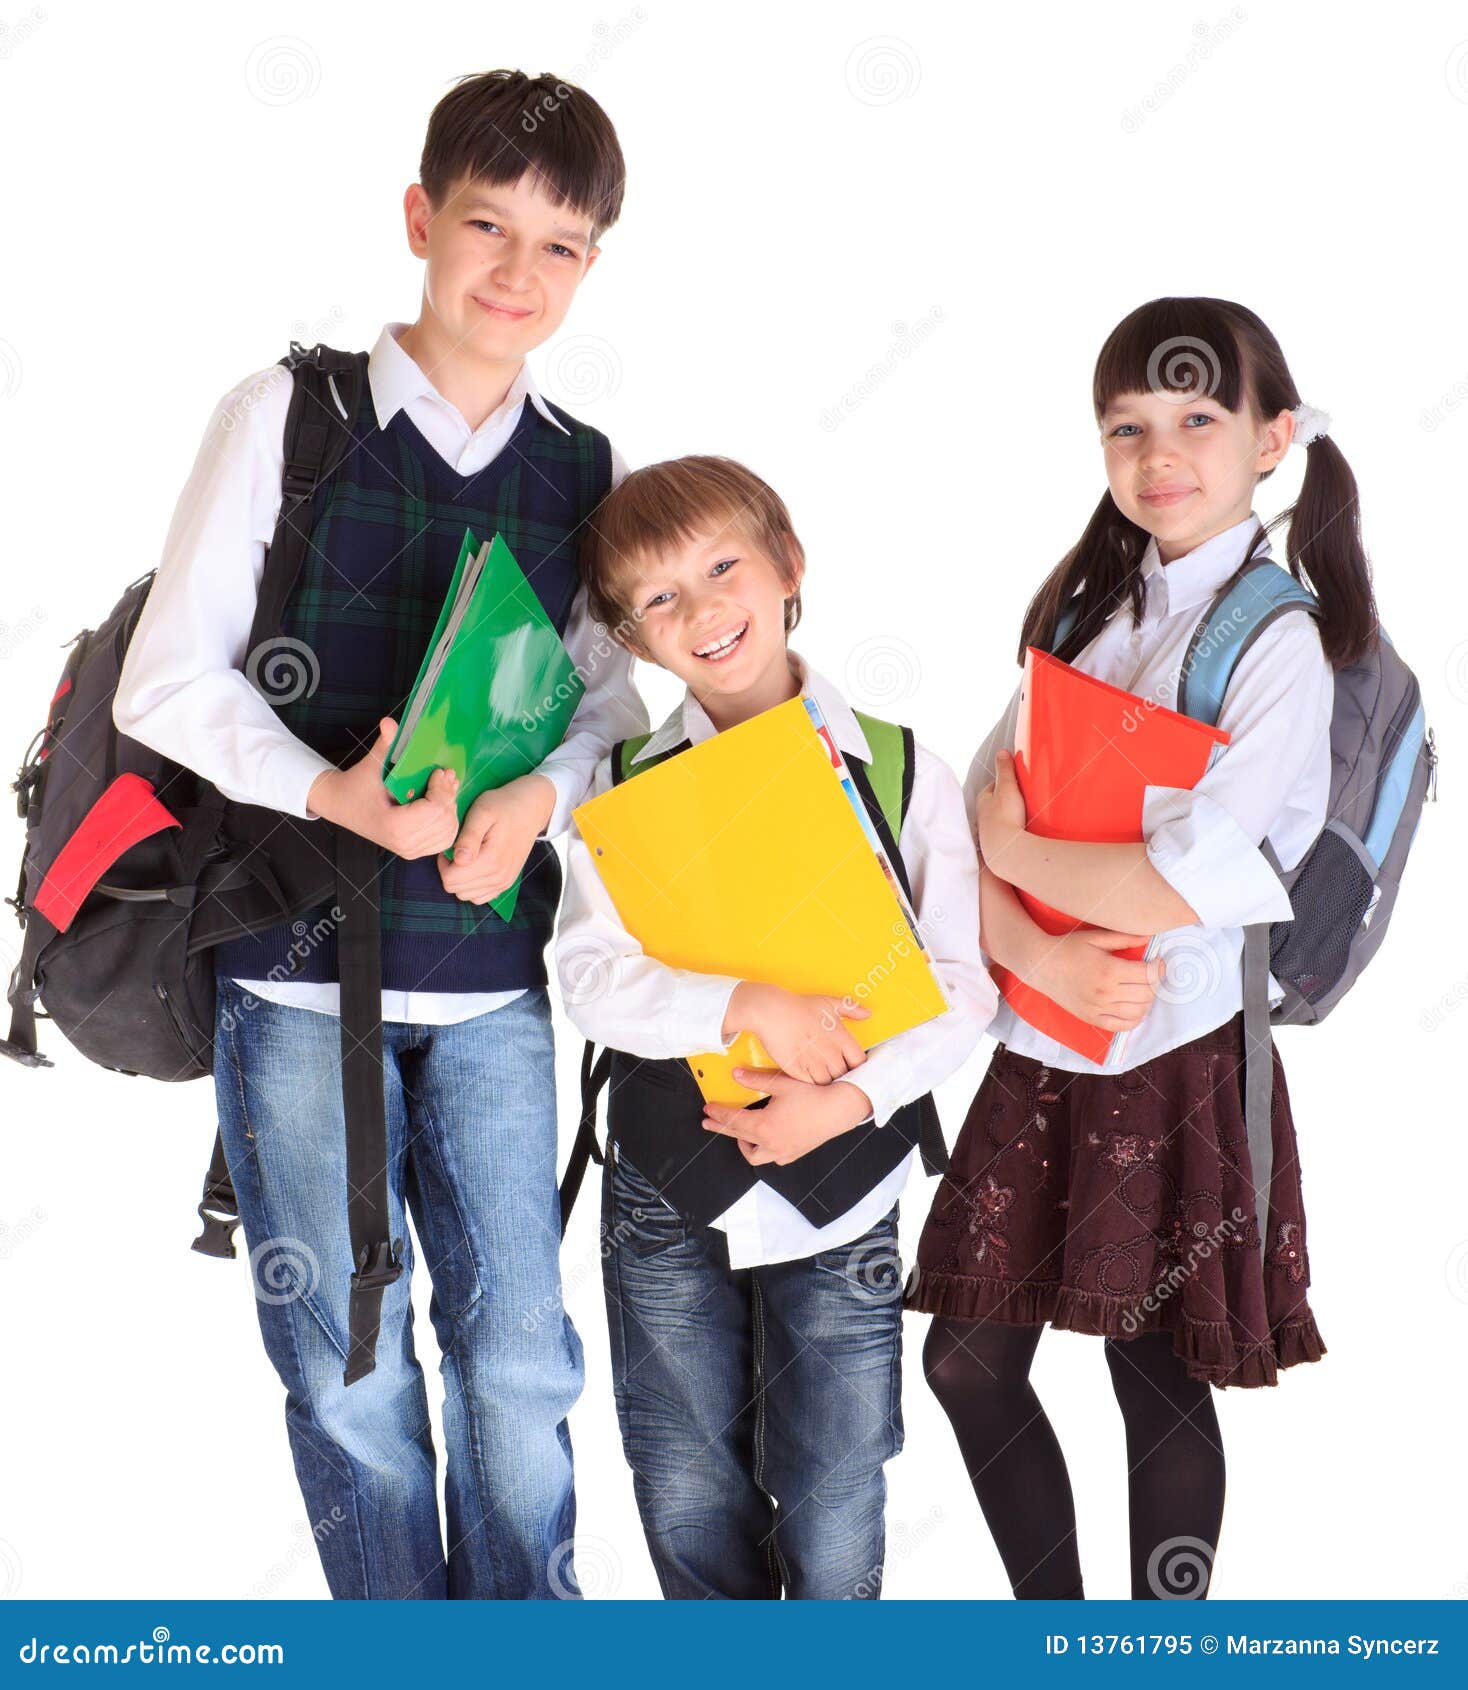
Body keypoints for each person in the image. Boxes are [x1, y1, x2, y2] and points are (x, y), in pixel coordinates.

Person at [112, 69, 648, 1599]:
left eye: (560, 244)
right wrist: (334, 791)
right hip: (293, 964)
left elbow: (609, 709)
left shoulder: (583, 466)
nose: (516, 272)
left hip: (489, 974)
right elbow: (168, 678)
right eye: (487, 225)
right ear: (421, 219)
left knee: (521, 1358)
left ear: (592, 265)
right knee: (346, 1364)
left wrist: (545, 794)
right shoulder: (288, 412)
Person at [906, 296, 1376, 1600]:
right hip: (1050, 1025)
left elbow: (1199, 877)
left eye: (1196, 419)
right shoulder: (1088, 605)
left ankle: (1155, 1652)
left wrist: (1018, 864)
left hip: (1177, 1046)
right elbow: (968, 827)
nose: (1158, 452)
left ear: (1273, 437)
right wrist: (1034, 949)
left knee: (1149, 1362)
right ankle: (1055, 1640)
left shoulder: (1277, 637)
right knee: (968, 1357)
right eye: (1127, 426)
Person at [557, 454, 995, 1598]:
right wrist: (738, 1004)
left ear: (787, 565)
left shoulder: (901, 769)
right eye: (657, 598)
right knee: (681, 1472)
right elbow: (587, 977)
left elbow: (964, 982)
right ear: (628, 635)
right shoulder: (616, 782)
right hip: (664, 1179)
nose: (700, 611)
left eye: (720, 567)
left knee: (839, 1477)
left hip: (845, 1175)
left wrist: (848, 1098)